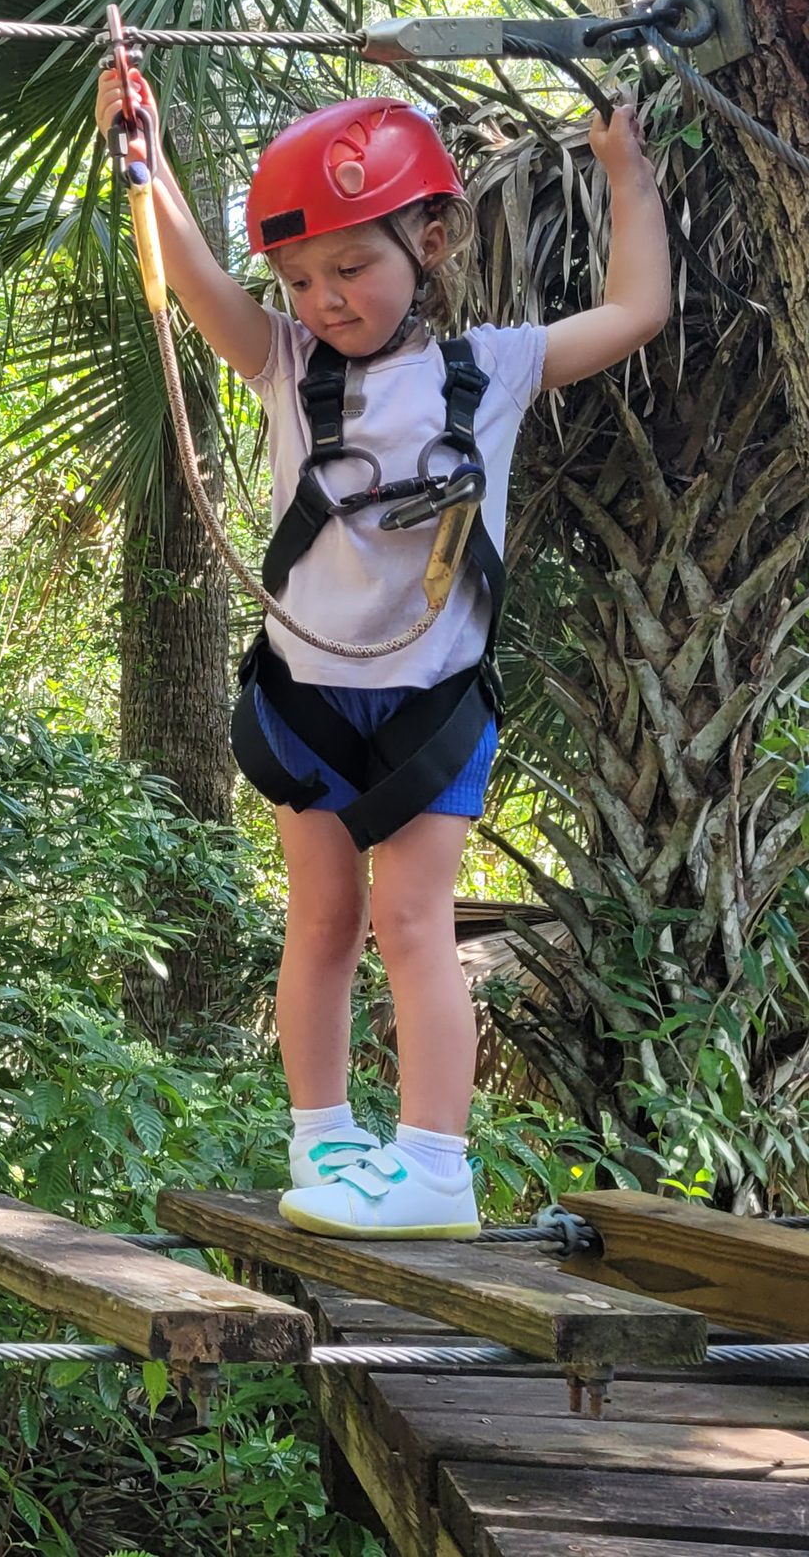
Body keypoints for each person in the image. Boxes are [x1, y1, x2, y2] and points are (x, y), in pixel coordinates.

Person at [93, 74, 670, 1236]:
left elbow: (636, 311)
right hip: (306, 700)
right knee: (321, 925)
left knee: (413, 923)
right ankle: (325, 1143)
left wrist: (626, 172)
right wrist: (141, 154)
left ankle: (434, 1165)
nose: (325, 299)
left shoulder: (488, 370)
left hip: (432, 706)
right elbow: (196, 274)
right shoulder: (281, 364)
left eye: (353, 267)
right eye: (302, 279)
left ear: (434, 239)